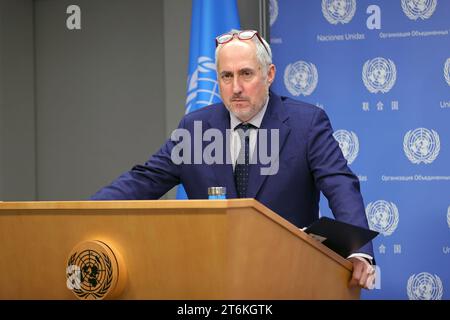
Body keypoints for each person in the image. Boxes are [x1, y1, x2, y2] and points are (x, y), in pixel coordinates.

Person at [91, 29, 376, 290]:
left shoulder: (307, 123)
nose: (236, 87)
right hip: (213, 280)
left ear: (270, 74)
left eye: (246, 74)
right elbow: (145, 179)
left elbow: (340, 185)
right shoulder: (195, 128)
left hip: (289, 277)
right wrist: (83, 215)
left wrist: (358, 250)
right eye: (226, 76)